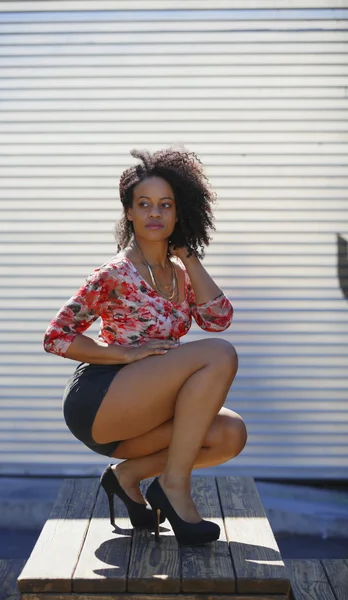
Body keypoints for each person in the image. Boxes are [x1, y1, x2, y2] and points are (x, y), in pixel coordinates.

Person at [43, 146, 246, 546]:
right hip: (102, 400)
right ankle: (173, 486)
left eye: (165, 205)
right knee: (219, 354)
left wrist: (188, 256)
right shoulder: (115, 273)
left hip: (143, 414)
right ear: (130, 212)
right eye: (144, 204)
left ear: (178, 213)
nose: (155, 213)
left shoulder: (181, 275)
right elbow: (57, 336)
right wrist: (121, 353)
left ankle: (128, 475)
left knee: (231, 434)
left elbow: (218, 319)